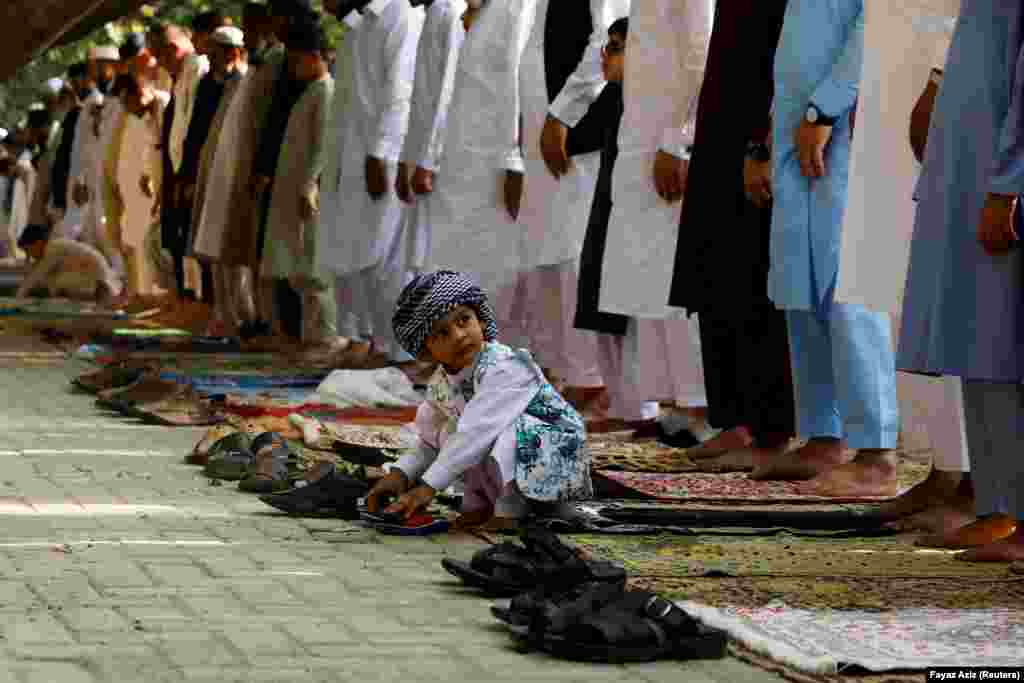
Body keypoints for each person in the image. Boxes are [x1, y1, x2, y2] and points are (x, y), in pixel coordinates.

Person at [754, 0, 901, 498]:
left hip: (843, 121)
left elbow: (872, 27)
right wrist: (769, 136)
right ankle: (823, 435)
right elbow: (796, 48)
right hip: (800, 126)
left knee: (848, 285)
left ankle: (876, 451)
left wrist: (828, 106)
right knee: (802, 283)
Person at [897, 0, 1024, 562]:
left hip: (1001, 170)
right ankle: (999, 510)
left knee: (1005, 342)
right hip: (972, 162)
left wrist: (1011, 181)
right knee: (980, 341)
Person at [665, 0, 795, 463]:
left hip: (755, 132)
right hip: (718, 130)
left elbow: (785, 57)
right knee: (714, 275)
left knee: (750, 278)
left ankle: (768, 429)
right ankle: (733, 419)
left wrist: (762, 141)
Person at [366, 270, 591, 529]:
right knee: (448, 431)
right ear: (426, 351)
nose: (459, 335)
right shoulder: (441, 382)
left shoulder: (506, 366)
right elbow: (429, 442)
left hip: (553, 466)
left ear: (481, 320)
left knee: (495, 431)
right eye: (442, 333)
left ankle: (510, 512)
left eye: (464, 320)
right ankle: (480, 506)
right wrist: (400, 474)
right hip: (503, 463)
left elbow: (476, 432)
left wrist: (426, 489)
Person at [585, 0, 713, 439]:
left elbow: (702, 58)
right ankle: (676, 406)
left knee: (677, 289)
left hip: (670, 148)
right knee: (648, 285)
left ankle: (702, 411)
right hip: (641, 145)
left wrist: (679, 141)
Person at [317, 0, 424, 365]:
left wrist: (381, 151)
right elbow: (344, 108)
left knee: (387, 259)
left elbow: (401, 92)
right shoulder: (355, 27)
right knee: (356, 255)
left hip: (383, 160)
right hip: (352, 161)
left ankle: (400, 349)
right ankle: (373, 340)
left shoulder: (400, 15)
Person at [256, 19, 340, 350]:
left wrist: (309, 185)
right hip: (293, 191)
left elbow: (323, 145)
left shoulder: (327, 92)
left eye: (296, 60)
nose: (292, 67)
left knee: (315, 271)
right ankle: (311, 341)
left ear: (314, 56)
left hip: (309, 194)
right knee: (301, 272)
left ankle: (327, 341)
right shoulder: (311, 93)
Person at [394, 0, 466, 283]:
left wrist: (427, 162)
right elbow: (420, 100)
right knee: (419, 261)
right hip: (421, 157)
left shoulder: (450, 11)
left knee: (435, 260)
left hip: (440, 162)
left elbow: (446, 94)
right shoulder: (432, 12)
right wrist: (405, 161)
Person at [15, 224, 122, 305]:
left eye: (28, 250)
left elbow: (36, 276)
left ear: (38, 243)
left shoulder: (54, 248)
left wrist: (18, 298)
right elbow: (42, 277)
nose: (29, 255)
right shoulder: (53, 249)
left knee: (57, 285)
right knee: (55, 285)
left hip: (99, 282)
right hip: (96, 280)